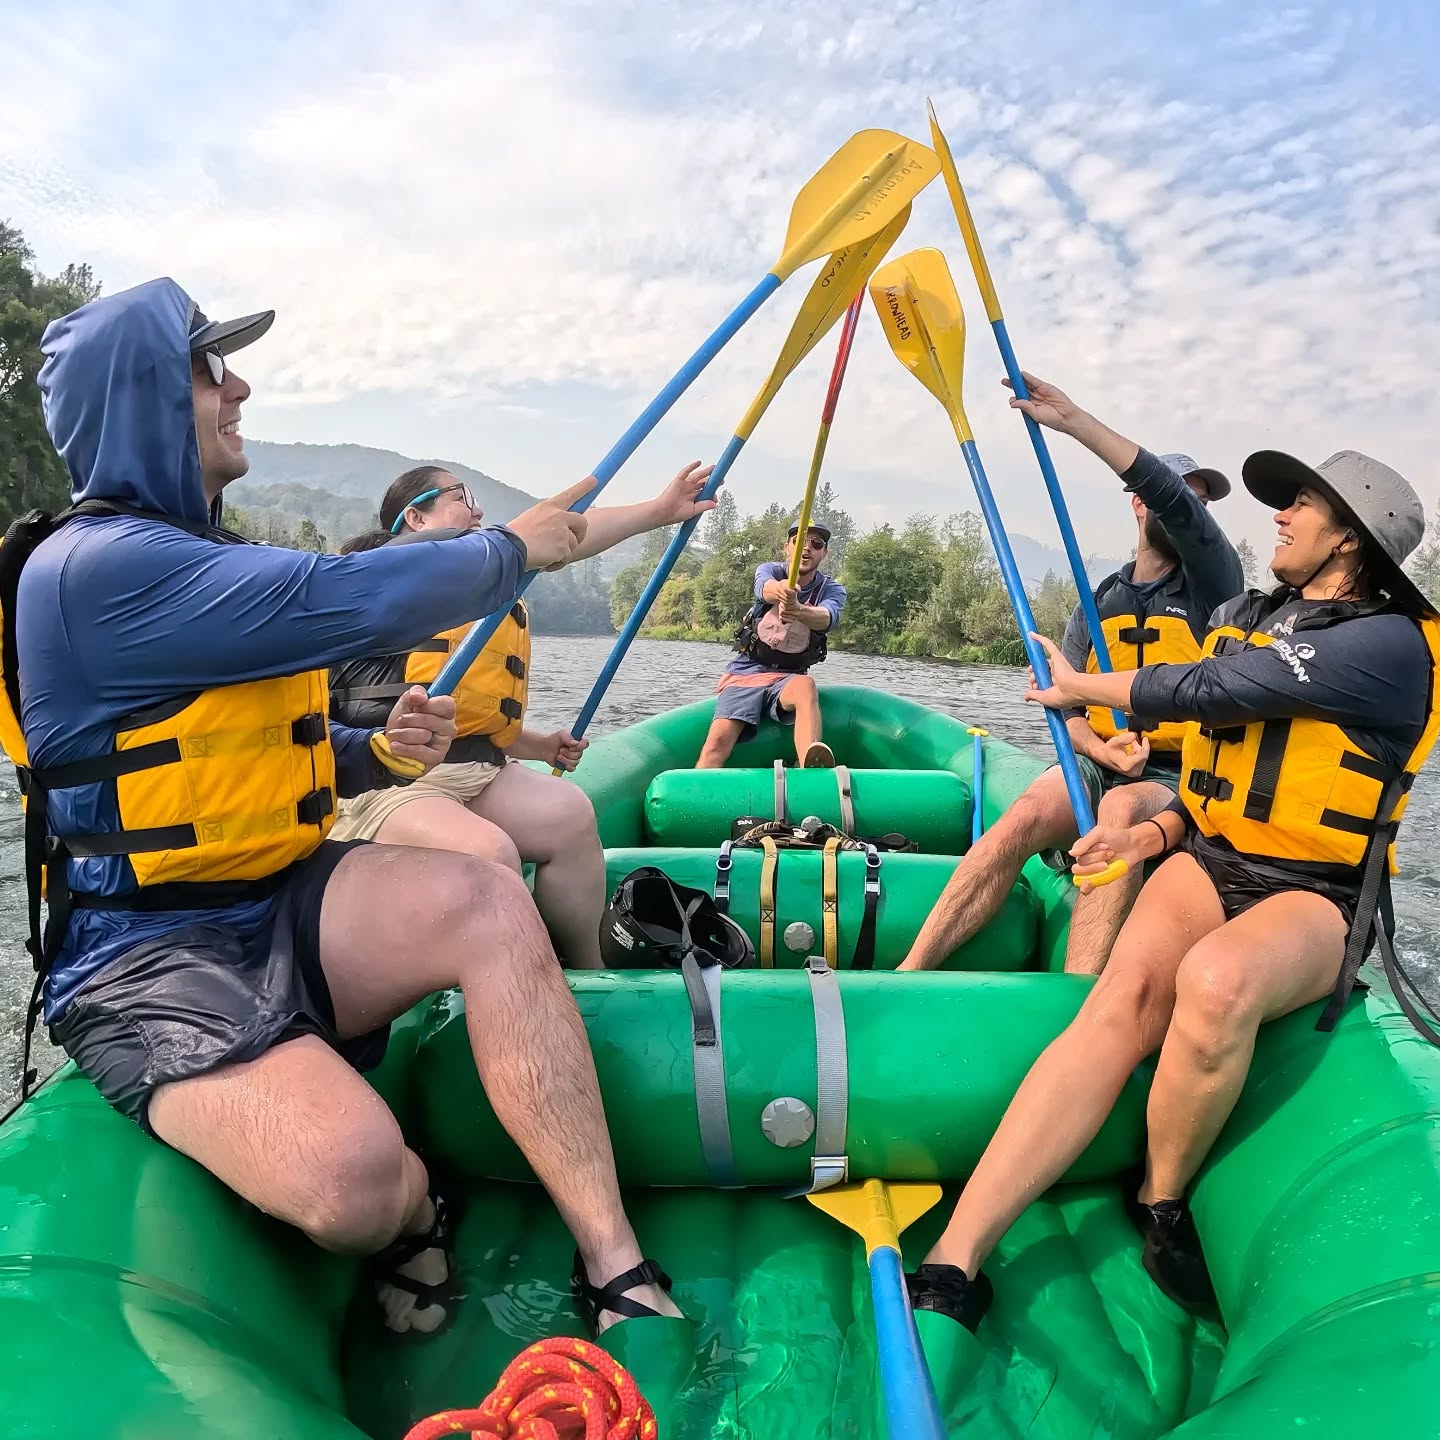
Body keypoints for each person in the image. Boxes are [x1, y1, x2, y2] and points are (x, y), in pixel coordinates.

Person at [10, 277, 696, 1339]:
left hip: (276, 898)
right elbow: (362, 597)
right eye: (207, 369)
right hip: (144, 961)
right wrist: (524, 545)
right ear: (143, 398)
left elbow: (238, 756)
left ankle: (612, 1258)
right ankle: (419, 1206)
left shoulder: (197, 560)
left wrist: (370, 751)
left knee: (483, 895)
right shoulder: (99, 572)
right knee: (356, 1187)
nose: (238, 386)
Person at [906, 449, 1439, 1328]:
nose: (1279, 516)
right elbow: (1213, 781)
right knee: (1118, 1001)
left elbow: (1215, 689)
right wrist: (1148, 831)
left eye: (1299, 504)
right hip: (1211, 855)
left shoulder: (1386, 648)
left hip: (1316, 892)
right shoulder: (1245, 613)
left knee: (1217, 981)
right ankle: (956, 1255)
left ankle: (1159, 1200)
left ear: (1351, 536)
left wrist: (1081, 688)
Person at [900, 374, 1242, 975]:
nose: (1194, 513)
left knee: (1118, 815)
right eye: (1181, 498)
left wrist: (1078, 423)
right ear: (1141, 504)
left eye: (1201, 505)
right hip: (1099, 761)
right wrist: (1104, 753)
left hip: (1178, 777)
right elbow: (1069, 712)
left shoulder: (1215, 589)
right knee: (1024, 814)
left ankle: (1077, 999)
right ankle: (912, 968)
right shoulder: (1096, 601)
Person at [328, 460, 715, 970]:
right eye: (461, 497)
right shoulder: (373, 575)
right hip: (390, 783)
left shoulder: (484, 579)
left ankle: (585, 974)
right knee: (491, 854)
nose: (478, 509)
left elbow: (570, 535)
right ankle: (517, 989)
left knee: (569, 817)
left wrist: (660, 512)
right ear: (415, 519)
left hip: (475, 773)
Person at [697, 520, 847, 770]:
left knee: (805, 686)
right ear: (787, 547)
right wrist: (782, 592)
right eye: (799, 541)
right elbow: (765, 588)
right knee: (715, 745)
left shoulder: (832, 589)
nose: (807, 548)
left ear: (824, 553)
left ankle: (808, 766)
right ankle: (694, 798)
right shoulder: (770, 571)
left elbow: (827, 618)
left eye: (816, 544)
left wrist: (798, 610)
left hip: (788, 678)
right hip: (746, 673)